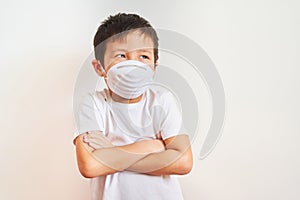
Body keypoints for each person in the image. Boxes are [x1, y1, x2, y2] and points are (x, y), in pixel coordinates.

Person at [73, 13, 193, 200]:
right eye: (121, 55)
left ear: (154, 66)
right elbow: (90, 166)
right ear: (100, 68)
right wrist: (151, 147)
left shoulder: (162, 101)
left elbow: (183, 162)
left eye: (143, 56)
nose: (133, 65)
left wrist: (112, 152)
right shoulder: (93, 104)